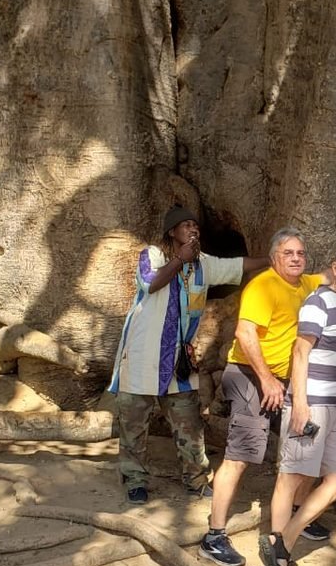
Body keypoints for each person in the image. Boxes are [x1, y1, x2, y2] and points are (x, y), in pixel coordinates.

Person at [109, 204, 267, 504]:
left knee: (190, 424)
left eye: (196, 225)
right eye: (186, 225)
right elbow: (150, 283)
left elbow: (237, 266)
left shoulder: (203, 264)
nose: (194, 229)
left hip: (179, 363)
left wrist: (273, 260)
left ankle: (196, 480)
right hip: (142, 358)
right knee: (133, 425)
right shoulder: (152, 255)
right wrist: (180, 259)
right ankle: (134, 480)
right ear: (172, 232)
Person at [201, 227, 331, 566]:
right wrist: (267, 380)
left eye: (300, 253)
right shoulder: (263, 286)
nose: (296, 258)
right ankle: (214, 536)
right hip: (250, 376)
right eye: (288, 253)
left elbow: (331, 275)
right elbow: (245, 333)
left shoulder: (304, 284)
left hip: (285, 382)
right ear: (274, 257)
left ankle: (300, 514)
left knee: (306, 443)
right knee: (241, 454)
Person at [259, 248, 336, 566]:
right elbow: (300, 351)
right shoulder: (317, 303)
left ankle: (282, 544)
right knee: (291, 477)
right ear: (335, 268)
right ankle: (281, 560)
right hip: (311, 403)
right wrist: (300, 404)